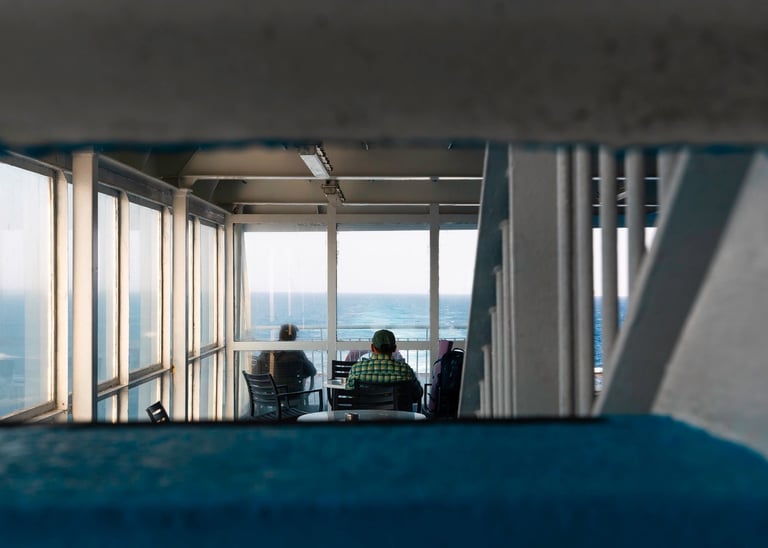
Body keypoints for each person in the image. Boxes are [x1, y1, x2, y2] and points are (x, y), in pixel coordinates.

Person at [345, 329, 423, 405]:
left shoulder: (357, 369)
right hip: (398, 417)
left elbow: (349, 394)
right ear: (394, 348)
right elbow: (417, 394)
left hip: (365, 416)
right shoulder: (405, 370)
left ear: (372, 348)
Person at [252, 323, 317, 392]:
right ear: (294, 337)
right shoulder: (297, 354)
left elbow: (255, 372)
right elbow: (312, 371)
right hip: (292, 394)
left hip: (270, 394)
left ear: (280, 335)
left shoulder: (268, 351)